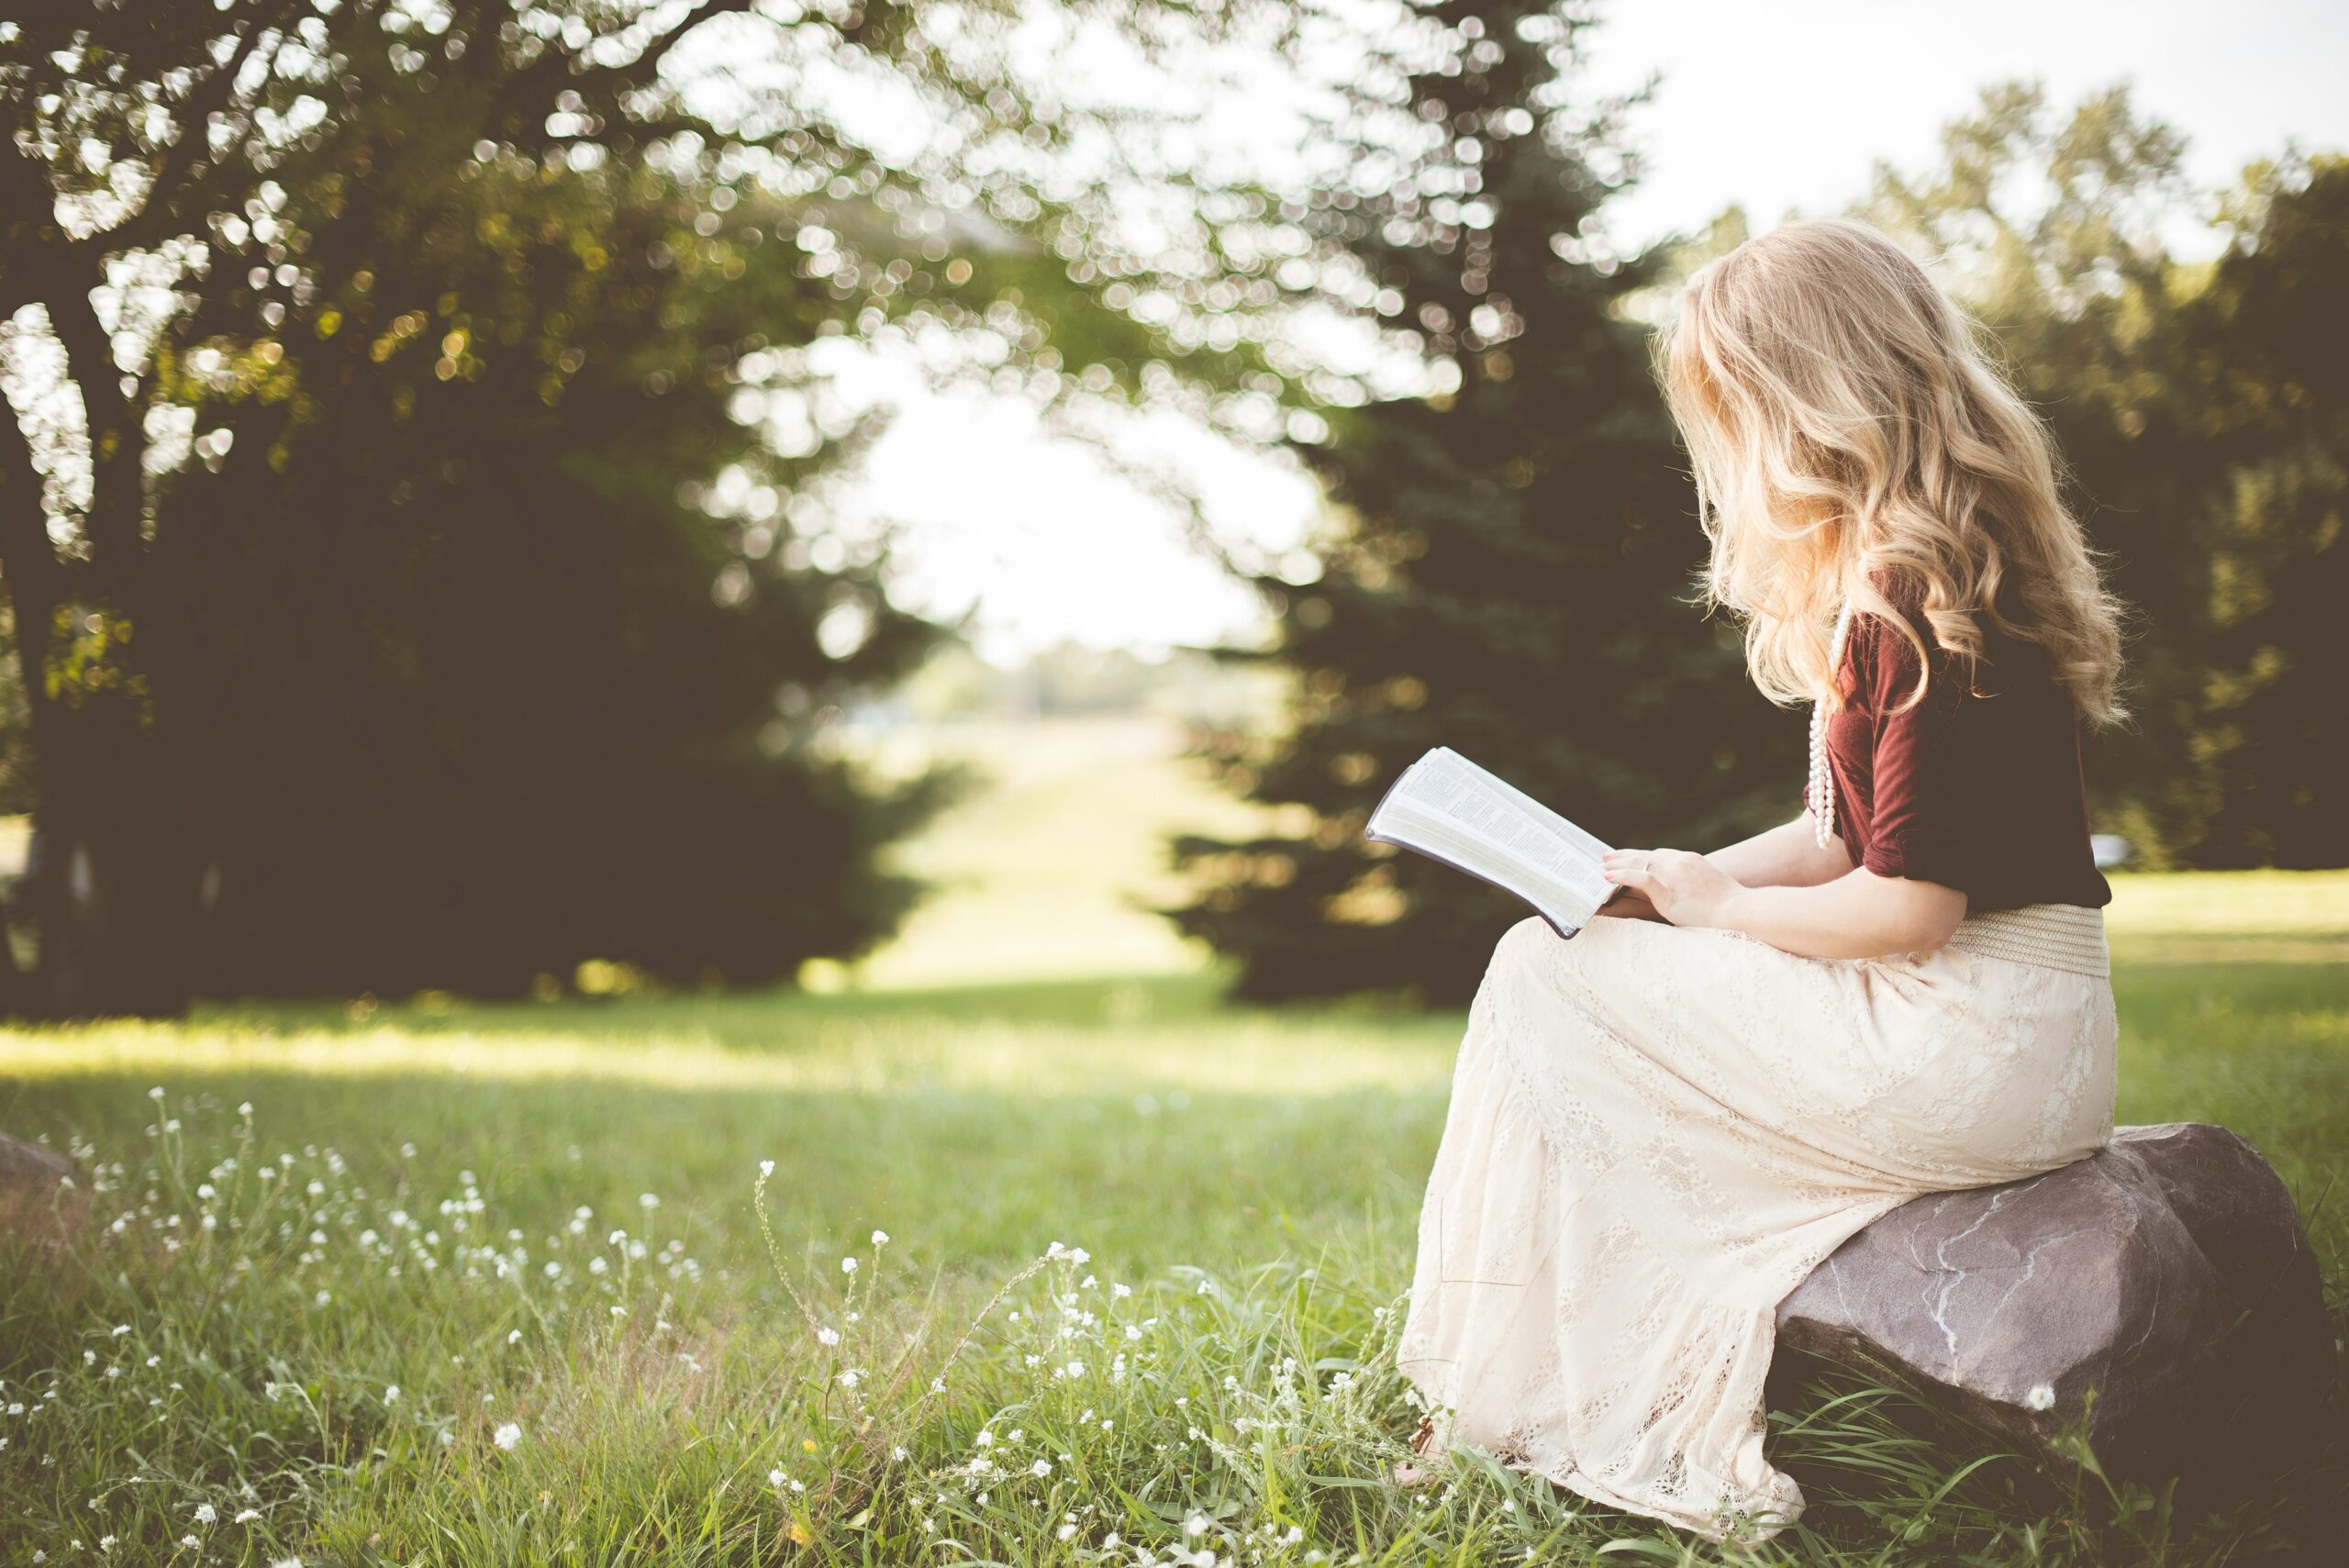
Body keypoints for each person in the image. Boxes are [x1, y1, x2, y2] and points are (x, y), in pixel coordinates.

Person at [1391, 217, 2132, 1546]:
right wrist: (1665, 877)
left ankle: (1500, 1397)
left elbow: (1909, 907)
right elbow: (1835, 838)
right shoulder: (1936, 558)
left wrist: (1720, 916)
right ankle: (1517, 1381)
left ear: (1810, 397)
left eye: (1734, 409)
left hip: (1967, 1032)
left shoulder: (1911, 584)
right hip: (2019, 1031)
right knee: (1569, 959)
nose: (1725, 451)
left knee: (1534, 975)